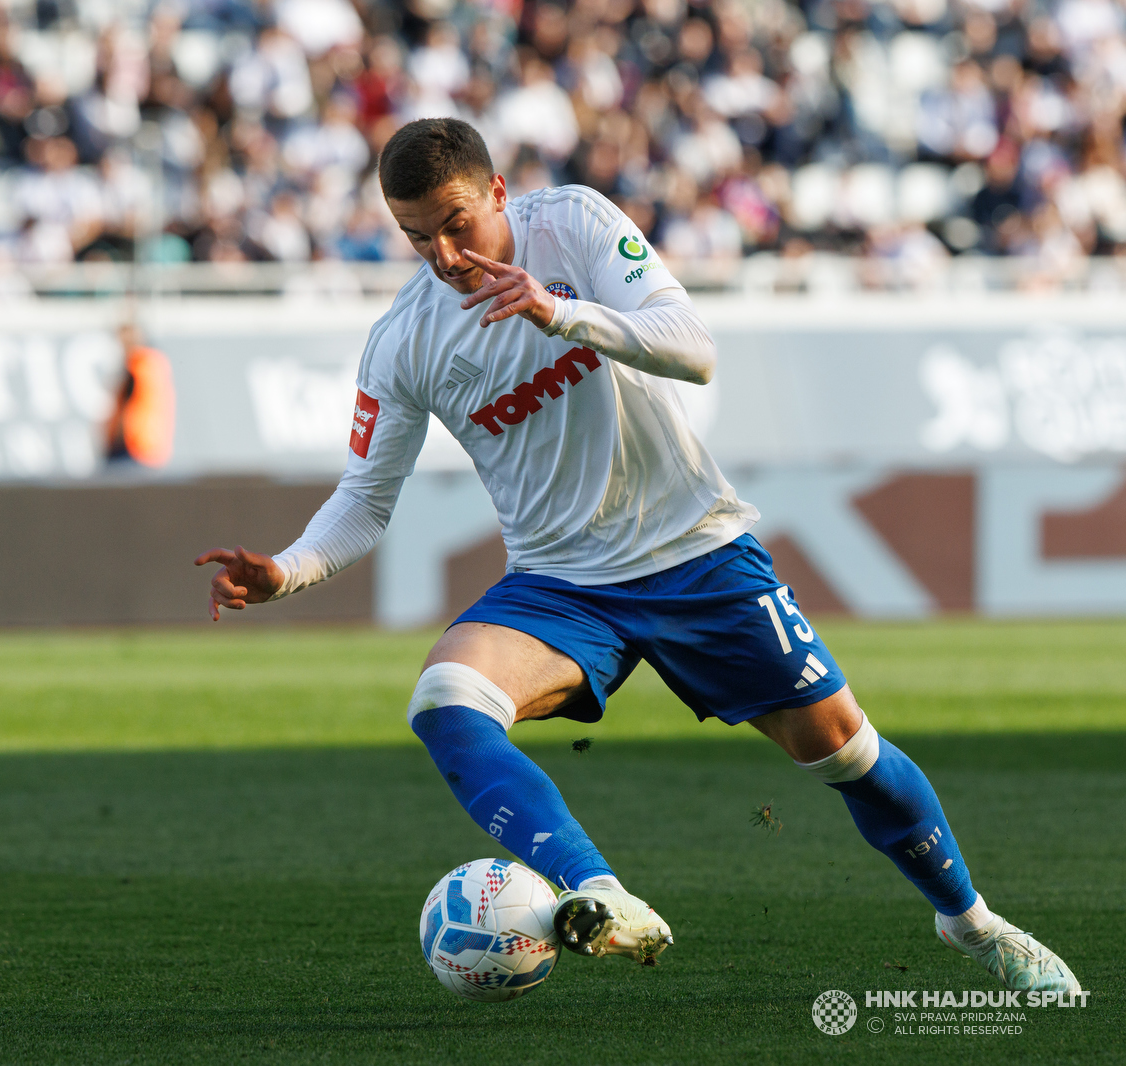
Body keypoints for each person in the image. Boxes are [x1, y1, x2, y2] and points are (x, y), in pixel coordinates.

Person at [197, 117, 1079, 993]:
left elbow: (693, 348)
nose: (443, 255)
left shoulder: (574, 224)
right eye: (415, 236)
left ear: (498, 193)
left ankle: (972, 924)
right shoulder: (406, 340)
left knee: (845, 752)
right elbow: (364, 497)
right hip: (561, 583)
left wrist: (561, 313)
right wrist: (287, 569)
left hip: (695, 550)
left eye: (456, 223)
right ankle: (599, 892)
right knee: (445, 699)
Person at [103, 324, 175, 468]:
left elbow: (129, 408)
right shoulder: (150, 365)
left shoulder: (140, 365)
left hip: (135, 447)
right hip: (142, 447)